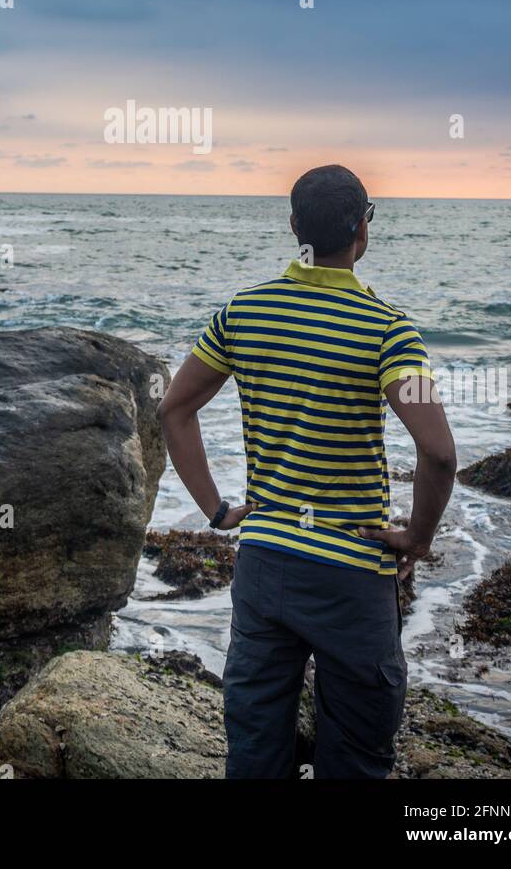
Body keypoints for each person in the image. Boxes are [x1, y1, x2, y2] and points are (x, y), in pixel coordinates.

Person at [158, 164, 456, 779]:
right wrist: (419, 539)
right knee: (356, 757)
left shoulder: (242, 312)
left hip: (266, 564)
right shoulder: (388, 329)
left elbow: (174, 409)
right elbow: (439, 452)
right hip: (352, 571)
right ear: (363, 229)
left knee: (255, 752)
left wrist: (217, 510)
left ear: (295, 227)